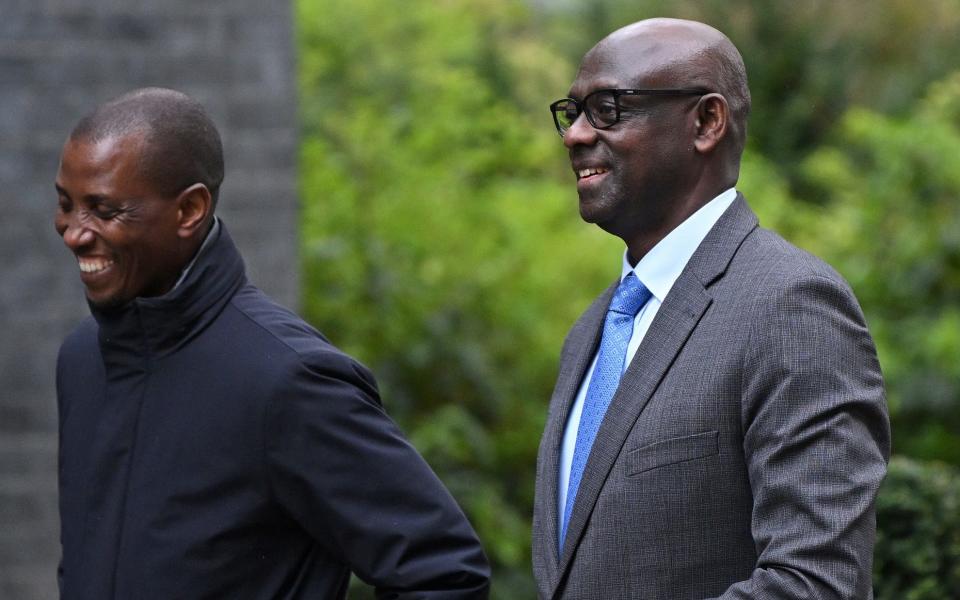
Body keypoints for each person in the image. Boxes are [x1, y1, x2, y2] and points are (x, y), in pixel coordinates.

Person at [53, 87, 489, 599]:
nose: (74, 234)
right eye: (66, 204)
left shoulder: (287, 378)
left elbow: (443, 574)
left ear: (190, 209)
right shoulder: (83, 359)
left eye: (104, 211)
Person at [532, 18, 890, 599]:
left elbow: (819, 584)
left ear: (706, 122)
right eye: (570, 112)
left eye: (606, 108)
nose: (574, 135)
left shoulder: (791, 304)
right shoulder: (591, 333)